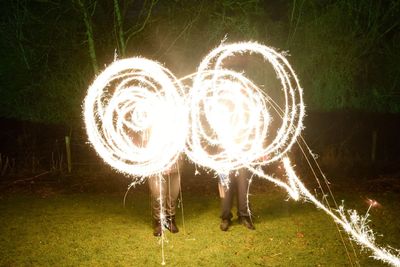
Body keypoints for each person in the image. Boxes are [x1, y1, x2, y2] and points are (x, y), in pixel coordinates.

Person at [148, 160, 181, 237]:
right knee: (157, 195)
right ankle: (159, 221)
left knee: (173, 193)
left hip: (175, 162)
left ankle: (170, 219)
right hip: (155, 163)